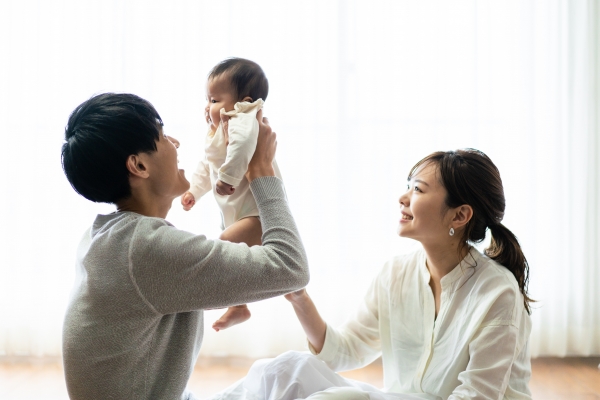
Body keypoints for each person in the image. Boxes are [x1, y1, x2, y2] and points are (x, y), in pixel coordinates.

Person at [210, 149, 533, 400]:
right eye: (408, 187)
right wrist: (298, 295)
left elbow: (476, 395)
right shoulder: (396, 274)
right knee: (287, 369)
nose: (403, 198)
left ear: (460, 215)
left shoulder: (498, 292)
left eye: (418, 190)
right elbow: (345, 350)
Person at [60, 92, 309, 400]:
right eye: (162, 136)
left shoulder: (109, 237)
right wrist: (262, 170)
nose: (175, 143)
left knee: (292, 373)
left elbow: (195, 274)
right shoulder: (143, 248)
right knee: (306, 379)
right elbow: (291, 268)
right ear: (138, 165)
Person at [180, 57, 283, 331]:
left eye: (214, 100)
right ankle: (238, 305)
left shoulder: (243, 117)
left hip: (258, 213)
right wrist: (194, 190)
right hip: (237, 213)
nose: (207, 107)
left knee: (223, 248)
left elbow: (243, 146)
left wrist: (228, 178)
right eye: (207, 99)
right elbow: (208, 165)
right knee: (232, 261)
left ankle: (234, 303)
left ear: (243, 101)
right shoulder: (219, 130)